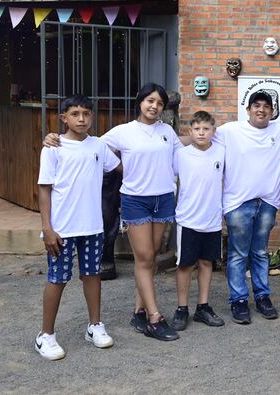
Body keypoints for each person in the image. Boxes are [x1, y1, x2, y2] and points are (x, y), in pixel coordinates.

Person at [47, 83, 183, 340]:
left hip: (163, 198)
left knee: (151, 257)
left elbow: (182, 149)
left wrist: (209, 137)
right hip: (135, 199)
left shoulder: (167, 131)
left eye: (160, 103)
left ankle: (138, 312)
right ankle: (155, 318)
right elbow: (89, 143)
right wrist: (52, 138)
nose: (154, 106)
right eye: (150, 101)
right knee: (143, 258)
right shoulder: (123, 132)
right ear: (140, 102)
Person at [214, 91, 280, 324]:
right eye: (256, 105)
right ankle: (238, 300)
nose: (261, 110)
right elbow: (202, 138)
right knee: (238, 254)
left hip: (267, 202)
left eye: (266, 106)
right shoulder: (230, 131)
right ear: (248, 110)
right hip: (237, 204)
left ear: (272, 111)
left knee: (259, 252)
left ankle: (262, 297)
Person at [36, 95, 120, 360]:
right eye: (75, 114)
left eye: (86, 113)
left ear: (92, 116)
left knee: (92, 275)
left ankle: (94, 326)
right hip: (62, 229)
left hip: (93, 226)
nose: (81, 119)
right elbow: (44, 189)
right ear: (64, 118)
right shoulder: (53, 147)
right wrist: (47, 228)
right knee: (57, 278)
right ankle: (45, 335)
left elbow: (121, 168)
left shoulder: (98, 146)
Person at [169, 111, 226, 331]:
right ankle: (182, 308)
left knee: (206, 263)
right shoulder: (181, 155)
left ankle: (203, 307)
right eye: (197, 129)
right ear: (190, 131)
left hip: (211, 219)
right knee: (185, 265)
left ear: (213, 131)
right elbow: (171, 180)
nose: (201, 133)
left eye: (206, 129)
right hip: (188, 219)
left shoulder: (221, 152)